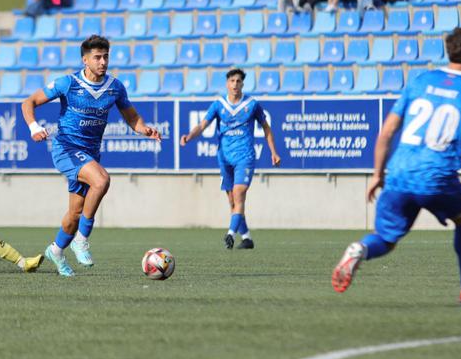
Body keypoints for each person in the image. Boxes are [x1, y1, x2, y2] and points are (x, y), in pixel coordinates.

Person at [332, 28, 461, 306]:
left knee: (385, 239)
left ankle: (359, 249)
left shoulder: (420, 81)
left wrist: (377, 175)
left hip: (398, 173)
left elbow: (386, 133)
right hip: (437, 176)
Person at [21, 35, 161, 276]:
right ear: (85, 60)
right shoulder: (68, 83)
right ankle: (81, 240)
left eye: (106, 56)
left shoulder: (115, 87)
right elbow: (29, 102)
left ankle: (55, 250)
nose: (103, 61)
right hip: (66, 148)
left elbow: (131, 117)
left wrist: (144, 129)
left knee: (74, 214)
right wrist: (34, 127)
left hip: (90, 154)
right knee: (101, 180)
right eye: (97, 57)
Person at [179, 69, 281, 250]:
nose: (235, 84)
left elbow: (266, 128)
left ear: (243, 84)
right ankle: (247, 238)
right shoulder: (219, 104)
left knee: (239, 194)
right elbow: (203, 125)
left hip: (245, 157)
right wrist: (189, 136)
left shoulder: (252, 104)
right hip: (224, 158)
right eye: (232, 81)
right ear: (227, 83)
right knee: (232, 202)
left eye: (239, 81)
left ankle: (230, 234)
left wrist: (273, 151)